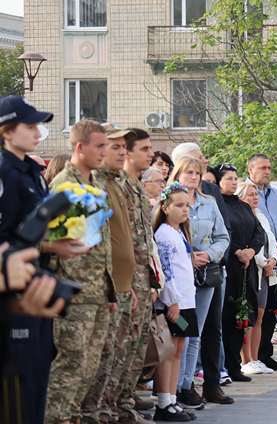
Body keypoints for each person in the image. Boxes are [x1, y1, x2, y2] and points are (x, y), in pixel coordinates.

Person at [0, 96, 81, 424]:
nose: (37, 132)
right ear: (6, 130)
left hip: (35, 286)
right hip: (12, 294)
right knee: (16, 385)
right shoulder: (5, 172)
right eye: (29, 126)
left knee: (36, 375)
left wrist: (56, 243)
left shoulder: (32, 170)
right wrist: (49, 247)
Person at [46, 119, 117, 424]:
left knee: (89, 365)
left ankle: (73, 417)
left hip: (97, 289)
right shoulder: (64, 186)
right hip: (72, 290)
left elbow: (100, 242)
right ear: (80, 147)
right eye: (99, 146)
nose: (105, 152)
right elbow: (52, 242)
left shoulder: (95, 184)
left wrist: (109, 287)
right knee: (70, 364)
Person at [80, 127, 138, 423]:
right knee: (97, 357)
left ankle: (108, 410)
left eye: (121, 147)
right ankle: (94, 413)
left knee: (116, 354)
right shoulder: (93, 185)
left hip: (124, 284)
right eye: (112, 146)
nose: (120, 152)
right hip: (102, 286)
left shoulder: (117, 184)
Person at [171, 143, 234, 397]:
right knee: (181, 331)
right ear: (178, 175)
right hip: (180, 274)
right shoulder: (170, 201)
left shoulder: (209, 202)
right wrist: (189, 256)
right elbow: (164, 235)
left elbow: (222, 235)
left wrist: (209, 254)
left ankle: (189, 384)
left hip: (207, 272)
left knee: (198, 330)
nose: (194, 177)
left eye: (197, 173)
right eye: (189, 173)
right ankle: (174, 387)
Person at [118, 128, 158, 421]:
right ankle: (115, 405)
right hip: (127, 281)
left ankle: (124, 402)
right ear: (128, 153)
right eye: (144, 149)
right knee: (122, 347)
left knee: (136, 347)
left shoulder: (136, 187)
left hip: (144, 280)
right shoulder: (120, 187)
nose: (151, 154)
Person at [153, 182, 198, 422]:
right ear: (165, 207)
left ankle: (172, 398)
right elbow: (166, 272)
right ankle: (163, 402)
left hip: (186, 300)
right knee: (169, 350)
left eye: (187, 206)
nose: (184, 210)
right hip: (174, 302)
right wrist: (171, 301)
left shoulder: (179, 232)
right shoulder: (163, 234)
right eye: (179, 205)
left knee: (179, 348)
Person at [217, 164, 265, 381]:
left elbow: (259, 232)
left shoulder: (243, 206)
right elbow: (223, 232)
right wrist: (238, 251)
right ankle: (226, 364)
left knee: (244, 314)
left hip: (248, 268)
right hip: (231, 265)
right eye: (229, 178)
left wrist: (251, 251)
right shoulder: (219, 205)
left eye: (236, 178)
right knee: (228, 315)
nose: (234, 182)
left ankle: (235, 367)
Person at [246, 154, 277, 372]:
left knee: (271, 308)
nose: (267, 171)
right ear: (250, 170)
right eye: (262, 167)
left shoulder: (276, 195)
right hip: (257, 262)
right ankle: (251, 357)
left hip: (276, 258)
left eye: (269, 167)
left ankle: (265, 354)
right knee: (256, 311)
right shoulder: (246, 194)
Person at [237, 182, 277, 375]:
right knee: (248, 316)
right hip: (253, 268)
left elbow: (270, 240)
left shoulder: (261, 215)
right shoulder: (242, 217)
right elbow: (253, 245)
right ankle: (246, 359)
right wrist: (264, 262)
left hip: (266, 271)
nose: (254, 198)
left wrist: (273, 260)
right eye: (250, 195)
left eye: (256, 195)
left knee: (260, 316)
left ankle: (255, 357)